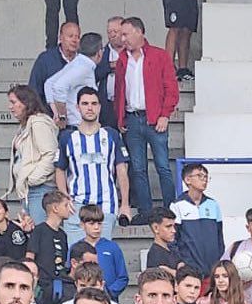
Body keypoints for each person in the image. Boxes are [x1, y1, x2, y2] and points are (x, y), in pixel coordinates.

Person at [115, 17, 179, 216]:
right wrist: (120, 118)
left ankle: (170, 210)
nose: (122, 38)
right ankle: (145, 212)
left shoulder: (160, 56)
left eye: (125, 34)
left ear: (139, 32)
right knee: (138, 169)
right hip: (132, 118)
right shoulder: (122, 60)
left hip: (155, 119)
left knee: (162, 166)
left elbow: (171, 88)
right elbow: (119, 92)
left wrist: (165, 115)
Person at [57, 87, 133, 241]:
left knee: (100, 258)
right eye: (85, 103)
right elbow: (59, 170)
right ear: (77, 107)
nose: (89, 107)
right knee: (76, 256)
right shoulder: (67, 137)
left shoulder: (111, 135)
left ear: (99, 107)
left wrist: (124, 203)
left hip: (105, 205)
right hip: (76, 206)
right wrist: (64, 197)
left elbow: (121, 170)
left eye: (93, 103)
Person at [7, 84, 62, 222]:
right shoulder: (25, 125)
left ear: (26, 102)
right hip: (30, 191)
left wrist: (31, 179)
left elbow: (50, 155)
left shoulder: (39, 122)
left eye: (13, 102)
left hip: (40, 190)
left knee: (40, 234)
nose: (10, 107)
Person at [172, 161, 223, 279]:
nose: (204, 180)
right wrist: (181, 261)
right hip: (190, 270)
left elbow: (219, 237)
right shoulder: (177, 205)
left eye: (206, 177)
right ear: (187, 180)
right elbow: (174, 238)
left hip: (212, 270)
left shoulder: (213, 204)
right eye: (200, 176)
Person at [26, 190, 74, 304]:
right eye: (66, 205)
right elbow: (30, 257)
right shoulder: (39, 230)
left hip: (59, 285)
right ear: (55, 208)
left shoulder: (62, 234)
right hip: (43, 286)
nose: (69, 209)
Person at [45, 33, 105, 127]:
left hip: (74, 125)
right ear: (99, 52)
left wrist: (56, 112)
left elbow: (49, 84)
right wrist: (61, 116)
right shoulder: (85, 67)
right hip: (79, 125)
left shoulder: (77, 62)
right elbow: (58, 87)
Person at [73, 203, 129, 298]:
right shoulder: (75, 248)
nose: (96, 227)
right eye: (91, 223)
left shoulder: (112, 247)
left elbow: (122, 277)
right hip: (82, 298)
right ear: (82, 225)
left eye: (99, 223)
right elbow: (71, 273)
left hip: (108, 300)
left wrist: (109, 292)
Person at [29, 21, 81, 94]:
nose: (74, 40)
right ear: (60, 38)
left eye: (78, 37)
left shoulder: (83, 61)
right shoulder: (45, 60)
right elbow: (34, 91)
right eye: (70, 36)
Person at [0, 197, 33, 265]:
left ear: (6, 213)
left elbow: (36, 243)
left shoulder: (19, 225)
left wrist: (29, 231)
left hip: (26, 269)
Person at [146, 207, 184, 272]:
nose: (174, 230)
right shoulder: (155, 255)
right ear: (156, 228)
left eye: (173, 226)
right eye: (168, 226)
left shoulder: (173, 250)